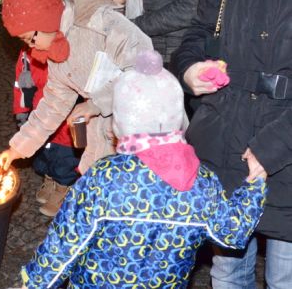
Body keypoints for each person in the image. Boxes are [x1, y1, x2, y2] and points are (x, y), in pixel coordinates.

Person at [20, 50, 267, 289]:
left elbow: (65, 245)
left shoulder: (104, 177)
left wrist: (32, 284)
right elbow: (232, 233)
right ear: (178, 119)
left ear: (119, 125)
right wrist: (255, 183)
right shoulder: (201, 182)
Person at [172, 0, 292, 288]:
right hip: (226, 138)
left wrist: (273, 147)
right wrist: (189, 70)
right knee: (228, 270)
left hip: (287, 148)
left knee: (284, 276)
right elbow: (198, 33)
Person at [0, 0, 153, 174]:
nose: (31, 47)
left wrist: (96, 103)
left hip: (144, 131)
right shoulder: (54, 46)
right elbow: (54, 105)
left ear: (46, 21)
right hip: (106, 136)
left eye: (30, 38)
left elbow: (146, 69)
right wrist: (15, 149)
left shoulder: (100, 25)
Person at [13, 47, 81, 217]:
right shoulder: (27, 53)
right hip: (40, 110)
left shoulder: (69, 47)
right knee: (44, 152)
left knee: (66, 156)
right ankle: (49, 179)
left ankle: (63, 187)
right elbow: (21, 82)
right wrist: (22, 110)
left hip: (68, 113)